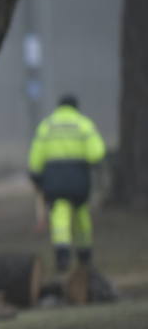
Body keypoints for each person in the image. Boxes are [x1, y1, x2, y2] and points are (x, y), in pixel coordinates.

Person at [28, 94, 107, 272]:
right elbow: (97, 153)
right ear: (75, 107)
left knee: (59, 215)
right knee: (81, 215)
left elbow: (36, 155)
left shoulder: (47, 125)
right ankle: (84, 254)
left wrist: (35, 174)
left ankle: (62, 254)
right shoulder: (83, 124)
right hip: (79, 178)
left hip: (54, 178)